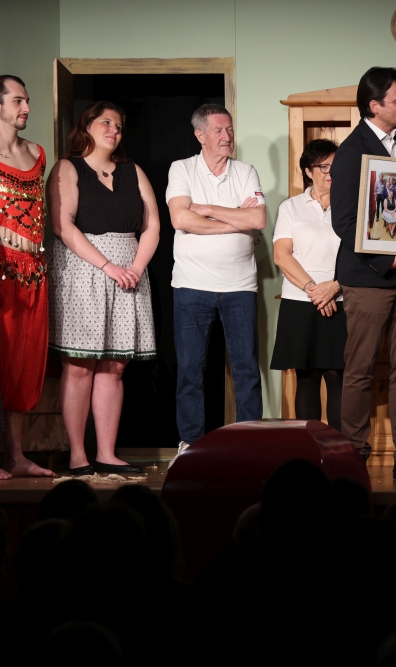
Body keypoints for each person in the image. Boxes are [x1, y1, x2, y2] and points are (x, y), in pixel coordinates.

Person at [329, 66, 396, 481]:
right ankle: (353, 455)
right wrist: (388, 262)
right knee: (360, 369)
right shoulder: (350, 152)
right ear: (375, 106)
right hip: (369, 277)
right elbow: (344, 221)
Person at [47, 101, 159, 475]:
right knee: (80, 365)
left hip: (130, 270)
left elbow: (153, 225)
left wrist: (136, 267)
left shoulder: (132, 170)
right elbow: (63, 226)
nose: (114, 130)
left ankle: (107, 453)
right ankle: (78, 455)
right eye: (106, 122)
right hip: (85, 270)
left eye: (119, 125)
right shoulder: (68, 167)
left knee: (114, 365)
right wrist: (107, 265)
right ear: (87, 127)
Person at [166, 104, 266, 465]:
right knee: (190, 370)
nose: (227, 136)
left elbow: (258, 219)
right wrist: (236, 220)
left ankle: (249, 445)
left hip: (240, 286)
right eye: (219, 130)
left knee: (246, 369)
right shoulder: (182, 168)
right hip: (191, 285)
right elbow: (180, 218)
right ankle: (190, 443)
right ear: (201, 135)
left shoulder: (245, 171)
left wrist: (206, 209)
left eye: (230, 129)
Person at [270, 139, 346, 427]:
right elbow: (281, 255)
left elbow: (360, 256)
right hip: (300, 301)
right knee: (306, 377)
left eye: (335, 166)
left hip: (341, 299)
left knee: (338, 375)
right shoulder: (290, 207)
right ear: (308, 171)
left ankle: (339, 448)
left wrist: (334, 287)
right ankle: (310, 447)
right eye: (323, 166)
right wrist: (315, 291)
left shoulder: (351, 205)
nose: (331, 173)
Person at [0, 74, 54, 479]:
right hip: (1, 268)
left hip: (33, 272)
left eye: (27, 100)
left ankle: (16, 456)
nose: (27, 108)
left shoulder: (37, 153)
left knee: (23, 364)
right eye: (18, 101)